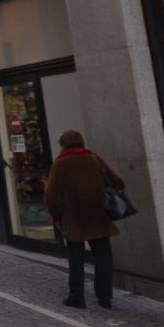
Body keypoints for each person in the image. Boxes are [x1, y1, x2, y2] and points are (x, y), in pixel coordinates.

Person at [43, 129, 126, 309]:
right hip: (97, 214)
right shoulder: (94, 159)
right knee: (103, 256)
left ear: (63, 144)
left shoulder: (60, 164)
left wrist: (57, 214)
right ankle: (105, 297)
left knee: (76, 258)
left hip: (73, 216)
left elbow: (50, 194)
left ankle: (77, 296)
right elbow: (118, 182)